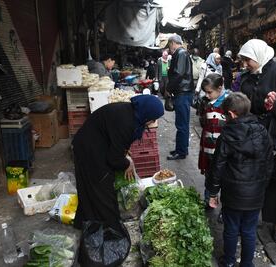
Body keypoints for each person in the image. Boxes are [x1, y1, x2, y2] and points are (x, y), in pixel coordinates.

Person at [72, 95, 164, 231]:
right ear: (146, 113)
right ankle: (112, 231)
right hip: (89, 150)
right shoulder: (127, 122)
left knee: (89, 190)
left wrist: (124, 152)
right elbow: (113, 159)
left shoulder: (130, 112)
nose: (153, 122)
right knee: (103, 191)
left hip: (92, 143)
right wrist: (126, 164)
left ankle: (87, 225)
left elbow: (116, 140)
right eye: (153, 118)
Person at [238, 39, 276, 244]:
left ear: (258, 56)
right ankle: (246, 215)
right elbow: (245, 104)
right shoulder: (245, 76)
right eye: (243, 60)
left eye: (247, 60)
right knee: (250, 176)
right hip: (251, 134)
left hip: (275, 134)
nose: (244, 64)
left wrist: (273, 104)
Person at [207, 92, 273, 267]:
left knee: (231, 229)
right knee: (249, 230)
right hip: (256, 193)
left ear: (231, 114)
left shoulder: (226, 136)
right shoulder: (262, 131)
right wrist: (262, 186)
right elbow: (269, 162)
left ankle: (229, 261)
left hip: (233, 194)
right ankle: (246, 263)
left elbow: (217, 166)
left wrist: (213, 192)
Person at [197, 73, 228, 208]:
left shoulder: (229, 103)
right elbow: (204, 123)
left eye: (210, 92)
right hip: (208, 147)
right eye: (206, 92)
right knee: (209, 176)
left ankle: (225, 208)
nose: (207, 95)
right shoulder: (206, 102)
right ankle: (208, 200)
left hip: (223, 151)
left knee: (224, 178)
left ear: (220, 88)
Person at [166, 34, 194, 160]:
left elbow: (178, 74)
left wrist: (168, 89)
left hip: (183, 92)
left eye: (169, 44)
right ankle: (181, 149)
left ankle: (181, 152)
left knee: (181, 124)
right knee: (182, 123)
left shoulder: (181, 53)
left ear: (173, 43)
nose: (169, 48)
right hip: (183, 92)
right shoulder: (182, 53)